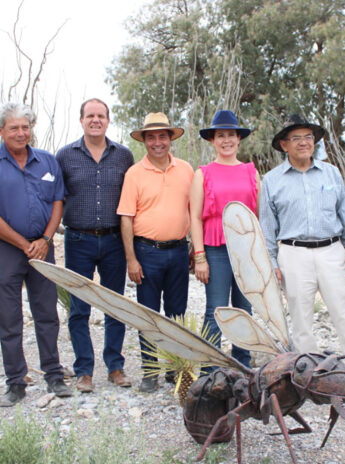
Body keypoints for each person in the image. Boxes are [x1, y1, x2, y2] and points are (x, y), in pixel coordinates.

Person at [0, 102, 72, 407]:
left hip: (43, 247)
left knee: (47, 314)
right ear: (1, 131)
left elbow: (58, 203)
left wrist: (44, 238)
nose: (21, 133)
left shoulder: (47, 162)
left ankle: (54, 375)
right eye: (14, 127)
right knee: (9, 317)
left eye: (25, 127)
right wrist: (22, 243)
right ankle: (15, 382)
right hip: (5, 251)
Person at [260, 114, 345, 374]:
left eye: (308, 137)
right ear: (284, 145)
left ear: (314, 142)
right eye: (296, 138)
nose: (303, 143)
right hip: (293, 253)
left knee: (344, 310)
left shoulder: (331, 174)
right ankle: (308, 376)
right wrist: (272, 262)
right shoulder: (271, 181)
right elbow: (267, 228)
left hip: (332, 251)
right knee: (301, 318)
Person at [56, 98, 135, 391]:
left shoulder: (124, 156)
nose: (95, 120)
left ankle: (115, 366)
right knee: (79, 307)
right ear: (81, 120)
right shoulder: (65, 156)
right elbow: (56, 198)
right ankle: (84, 370)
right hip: (78, 239)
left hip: (114, 239)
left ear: (108, 120)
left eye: (101, 116)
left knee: (115, 304)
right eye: (90, 116)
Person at [116, 112, 194, 393]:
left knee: (177, 314)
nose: (157, 142)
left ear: (170, 139)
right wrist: (131, 259)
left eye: (163, 136)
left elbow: (193, 212)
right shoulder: (134, 174)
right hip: (146, 252)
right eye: (152, 137)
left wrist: (196, 248)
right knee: (148, 314)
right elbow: (126, 217)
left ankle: (175, 369)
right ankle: (151, 371)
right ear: (145, 141)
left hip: (178, 251)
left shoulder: (186, 170)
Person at [191, 110, 259, 369]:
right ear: (212, 140)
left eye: (231, 135)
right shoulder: (203, 173)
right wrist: (200, 256)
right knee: (215, 310)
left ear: (239, 139)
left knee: (244, 310)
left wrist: (258, 256)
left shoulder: (251, 172)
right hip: (215, 250)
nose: (226, 140)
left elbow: (258, 217)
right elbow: (195, 217)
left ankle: (243, 366)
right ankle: (211, 369)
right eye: (221, 135)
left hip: (246, 251)